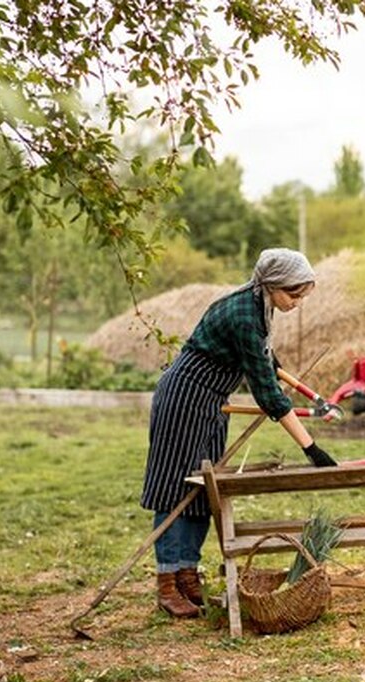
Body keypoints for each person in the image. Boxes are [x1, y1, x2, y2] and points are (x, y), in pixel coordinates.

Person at [139, 248, 338, 618]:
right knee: (173, 488)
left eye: (302, 296)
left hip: (212, 403)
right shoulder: (243, 313)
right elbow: (266, 393)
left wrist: (300, 387)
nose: (296, 303)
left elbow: (267, 360)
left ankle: (186, 573)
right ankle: (167, 582)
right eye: (293, 295)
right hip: (183, 398)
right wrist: (312, 449)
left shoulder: (260, 307)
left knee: (203, 488)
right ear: (273, 285)